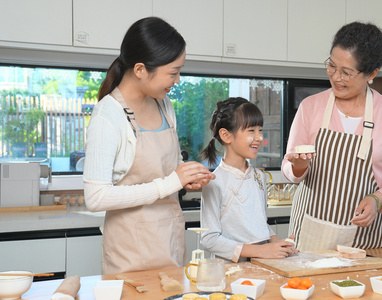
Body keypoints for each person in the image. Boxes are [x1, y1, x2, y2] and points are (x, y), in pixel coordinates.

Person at [83, 16, 215, 274]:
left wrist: (185, 177)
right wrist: (169, 183)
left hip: (170, 242)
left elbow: (170, 168)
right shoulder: (108, 116)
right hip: (129, 253)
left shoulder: (164, 105)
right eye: (174, 72)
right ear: (141, 69)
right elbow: (96, 198)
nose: (178, 80)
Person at [282, 21, 382, 251]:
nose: (336, 77)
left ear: (371, 73)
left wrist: (378, 199)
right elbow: (288, 169)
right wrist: (298, 167)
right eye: (332, 66)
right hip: (310, 236)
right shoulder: (310, 107)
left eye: (347, 72)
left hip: (364, 239)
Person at [199, 97, 297, 262]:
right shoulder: (214, 182)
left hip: (262, 263)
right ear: (226, 135)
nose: (259, 137)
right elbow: (209, 239)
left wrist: (277, 243)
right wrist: (261, 251)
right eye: (251, 131)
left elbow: (259, 224)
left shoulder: (259, 177)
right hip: (230, 269)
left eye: (260, 130)